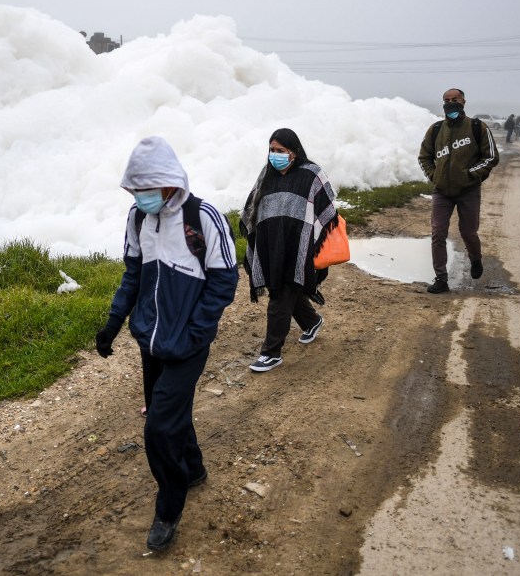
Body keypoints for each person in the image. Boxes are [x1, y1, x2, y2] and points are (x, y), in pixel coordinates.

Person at [95, 136, 238, 551]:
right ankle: (192, 469)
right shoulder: (138, 219)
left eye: (146, 187)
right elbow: (133, 274)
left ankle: (168, 509)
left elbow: (225, 280)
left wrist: (197, 330)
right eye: (134, 189)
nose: (140, 196)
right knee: (170, 414)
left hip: (188, 344)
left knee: (158, 427)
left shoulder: (203, 216)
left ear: (168, 181)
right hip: (151, 341)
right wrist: (114, 322)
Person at [239, 128, 339, 373]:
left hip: (298, 245)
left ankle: (271, 353)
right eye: (271, 150)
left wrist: (314, 239)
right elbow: (252, 207)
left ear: (293, 152)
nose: (275, 155)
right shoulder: (267, 174)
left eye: (280, 151)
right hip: (271, 242)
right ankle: (312, 321)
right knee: (286, 287)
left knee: (280, 293)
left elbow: (327, 209)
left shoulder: (312, 174)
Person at [418, 88, 499, 294]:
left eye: (455, 99)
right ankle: (441, 279)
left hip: (468, 191)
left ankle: (475, 259)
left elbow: (491, 157)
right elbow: (424, 157)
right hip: (442, 192)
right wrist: (434, 176)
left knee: (468, 232)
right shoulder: (436, 129)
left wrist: (470, 174)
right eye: (447, 100)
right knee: (438, 233)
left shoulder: (476, 127)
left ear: (464, 101)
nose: (451, 103)